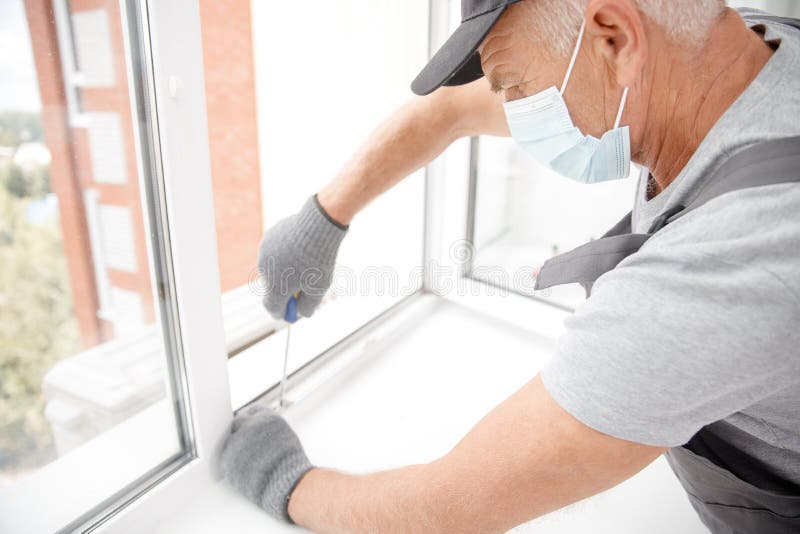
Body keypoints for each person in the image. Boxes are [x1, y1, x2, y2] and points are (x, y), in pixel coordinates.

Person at [221, 1, 800, 532]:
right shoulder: (739, 46)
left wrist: (282, 478)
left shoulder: (725, 269)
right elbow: (450, 110)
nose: (516, 117)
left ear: (616, 40)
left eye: (517, 87)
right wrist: (324, 218)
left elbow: (441, 510)